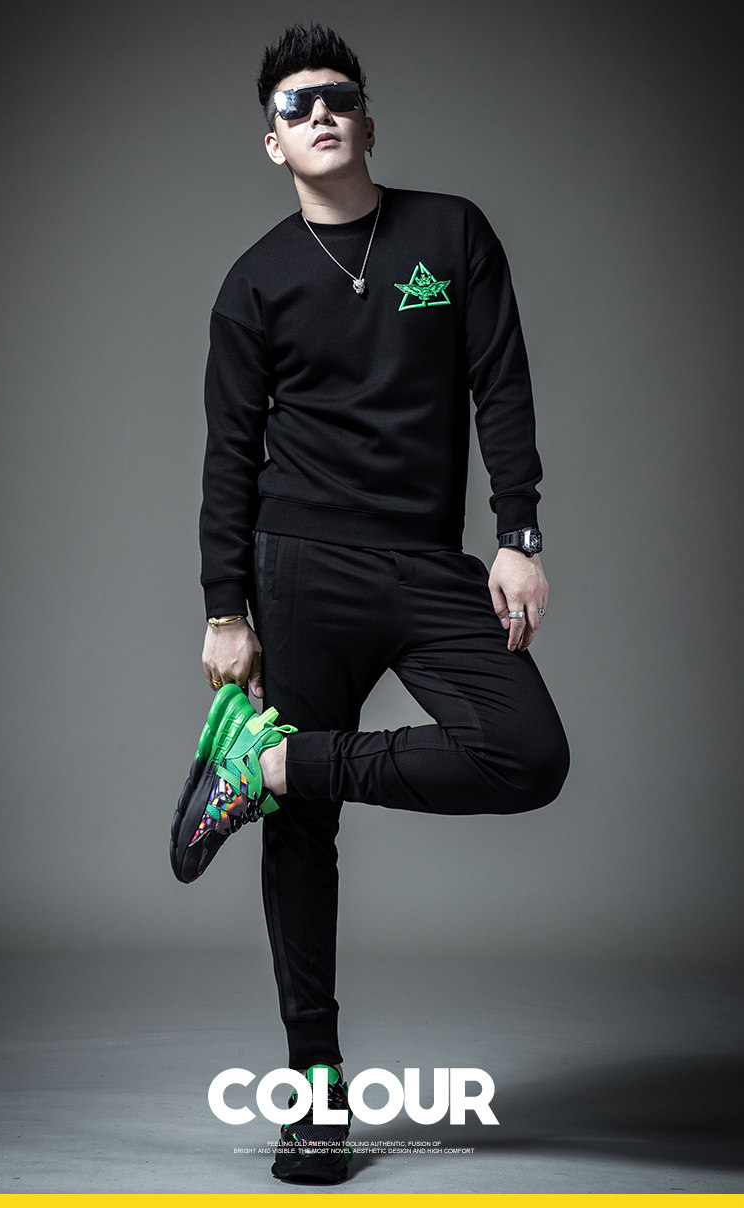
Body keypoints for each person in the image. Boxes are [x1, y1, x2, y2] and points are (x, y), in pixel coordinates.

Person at [178, 23, 570, 1184]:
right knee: (302, 837)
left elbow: (500, 381)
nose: (319, 113)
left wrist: (517, 535)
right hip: (299, 565)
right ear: (272, 142)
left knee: (525, 751)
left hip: (428, 563)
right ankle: (318, 1094)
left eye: (337, 96)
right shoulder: (255, 280)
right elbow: (227, 455)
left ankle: (276, 762)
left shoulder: (449, 232)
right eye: (295, 105)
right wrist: (224, 606)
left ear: (365, 118)